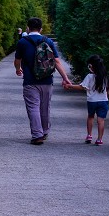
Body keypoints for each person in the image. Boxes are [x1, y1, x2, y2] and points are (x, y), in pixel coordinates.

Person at [13, 17, 71, 145]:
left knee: (33, 108)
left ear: (27, 28)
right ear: (41, 29)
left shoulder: (23, 42)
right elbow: (56, 62)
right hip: (47, 80)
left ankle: (37, 135)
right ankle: (44, 132)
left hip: (30, 81)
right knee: (45, 108)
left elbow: (17, 60)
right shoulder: (48, 41)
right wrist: (65, 78)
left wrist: (18, 69)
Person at [64, 54, 109, 145]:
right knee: (101, 120)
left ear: (92, 67)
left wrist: (70, 86)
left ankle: (89, 135)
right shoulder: (105, 77)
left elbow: (82, 87)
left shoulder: (90, 76)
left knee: (90, 117)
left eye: (89, 66)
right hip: (103, 101)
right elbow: (108, 89)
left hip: (92, 101)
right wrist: (105, 97)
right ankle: (99, 139)